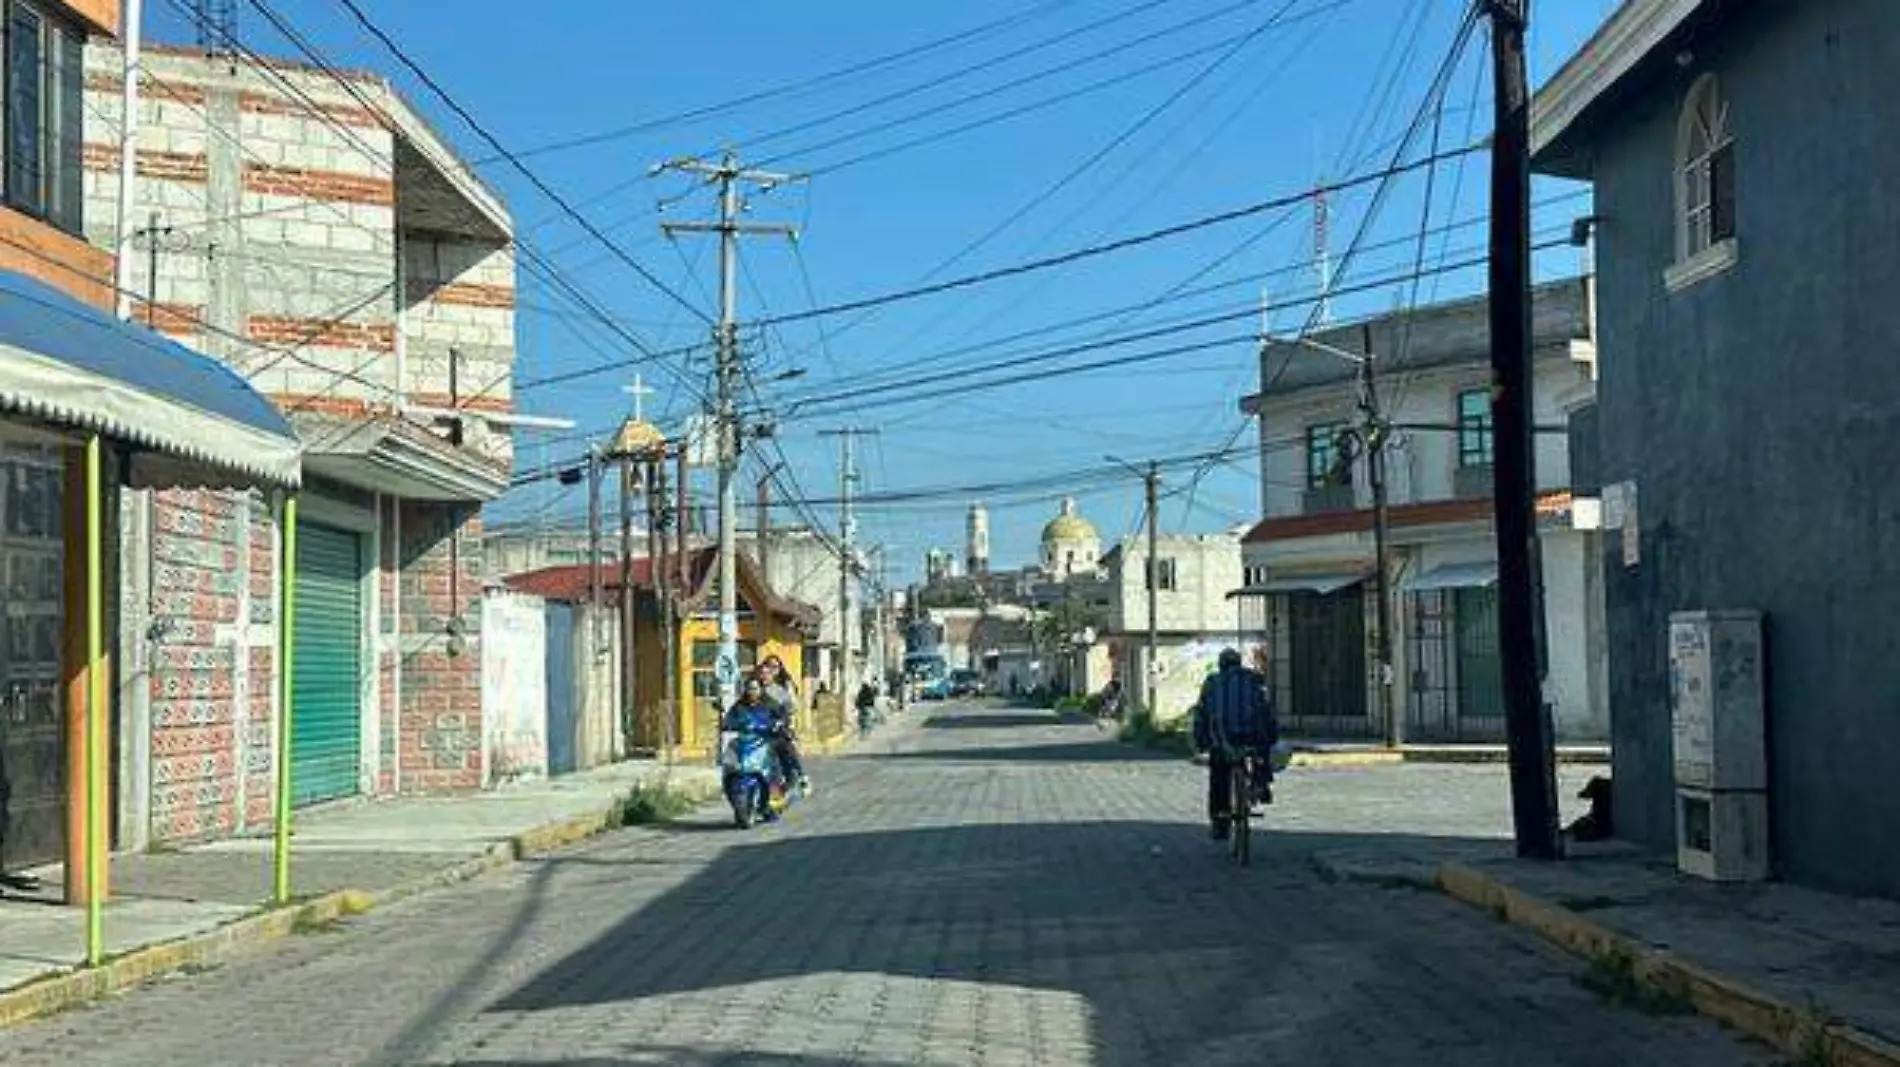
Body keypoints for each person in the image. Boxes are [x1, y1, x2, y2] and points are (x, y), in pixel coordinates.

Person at [1190, 648, 1279, 841]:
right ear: (1239, 664)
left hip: (1223, 740)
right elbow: (1267, 711)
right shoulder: (1254, 679)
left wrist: (1201, 742)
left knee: (1219, 777)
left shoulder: (1212, 682)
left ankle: (1220, 823)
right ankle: (1261, 784)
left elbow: (1202, 714)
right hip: (1253, 738)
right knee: (1261, 755)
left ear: (1221, 665)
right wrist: (1272, 738)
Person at [723, 678, 783, 821]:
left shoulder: (769, 704)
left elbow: (781, 717)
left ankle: (774, 803)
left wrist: (778, 724)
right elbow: (729, 719)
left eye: (755, 688)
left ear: (761, 689)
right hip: (745, 741)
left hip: (764, 741)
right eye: (750, 688)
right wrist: (726, 724)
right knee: (731, 762)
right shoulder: (739, 706)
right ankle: (733, 792)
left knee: (773, 771)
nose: (752, 692)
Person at [757, 659, 810, 797]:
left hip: (777, 731)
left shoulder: (779, 691)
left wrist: (782, 722)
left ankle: (802, 777)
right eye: (761, 673)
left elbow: (789, 709)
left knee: (787, 746)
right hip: (758, 732)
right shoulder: (753, 690)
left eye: (767, 673)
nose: (764, 676)